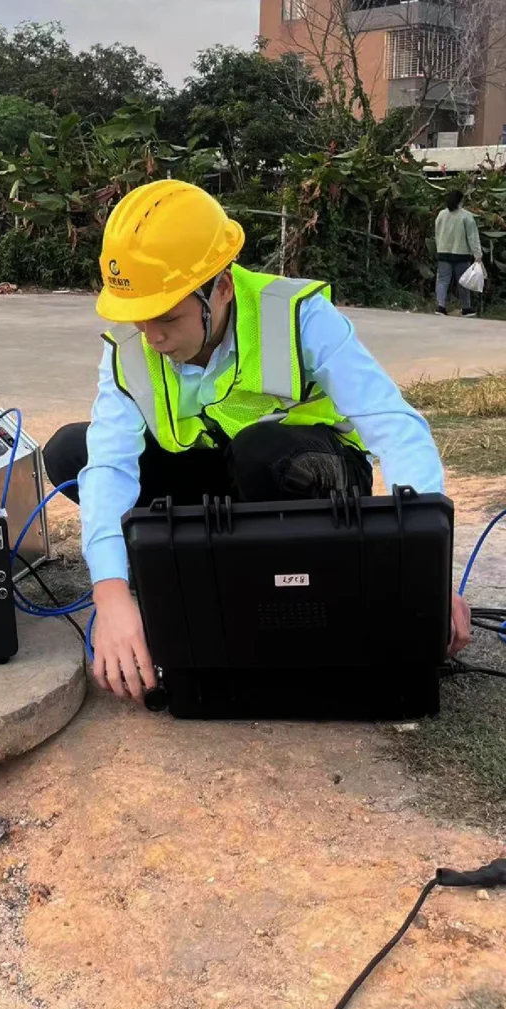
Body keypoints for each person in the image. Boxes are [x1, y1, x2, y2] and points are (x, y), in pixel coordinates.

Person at [43, 180, 471, 702]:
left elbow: (395, 426)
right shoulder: (131, 346)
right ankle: (183, 579)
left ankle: (298, 575)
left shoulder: (295, 315)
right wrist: (110, 594)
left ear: (221, 287)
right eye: (139, 315)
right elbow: (110, 466)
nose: (152, 337)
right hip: (220, 490)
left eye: (168, 316)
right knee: (73, 452)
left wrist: (426, 570)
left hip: (314, 477)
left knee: (260, 452)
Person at [434, 188, 482, 317]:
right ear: (461, 201)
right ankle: (466, 308)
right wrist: (477, 254)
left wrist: (439, 247)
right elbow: (472, 237)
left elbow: (437, 233)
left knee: (442, 280)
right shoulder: (466, 216)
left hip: (443, 252)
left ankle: (440, 306)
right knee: (464, 281)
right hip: (461, 253)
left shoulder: (441, 215)